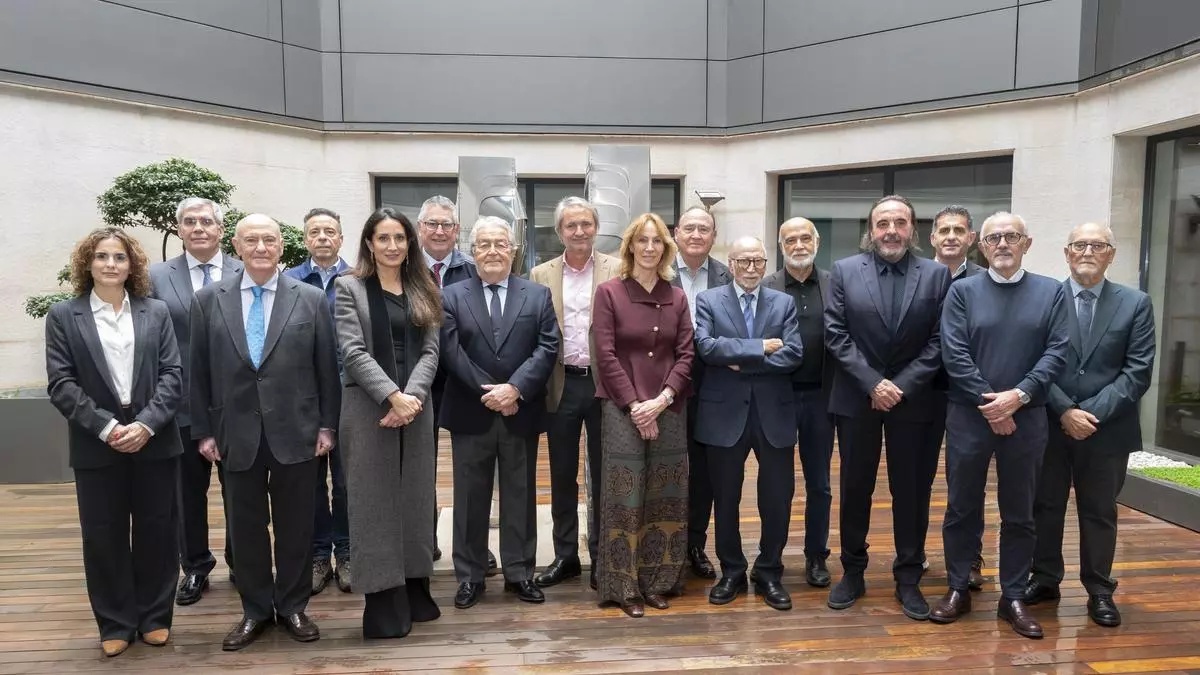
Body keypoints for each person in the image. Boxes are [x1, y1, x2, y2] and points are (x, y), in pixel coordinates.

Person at [189, 214, 341, 650]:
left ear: (281, 246)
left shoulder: (310, 298)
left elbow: (326, 368)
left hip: (297, 430)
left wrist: (327, 425)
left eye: (268, 240)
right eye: (251, 240)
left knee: (297, 526)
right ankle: (255, 610)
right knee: (245, 527)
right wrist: (204, 431)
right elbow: (197, 371)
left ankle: (293, 606)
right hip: (234, 432)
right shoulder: (208, 300)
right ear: (236, 247)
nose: (260, 247)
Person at [46, 228, 184, 657]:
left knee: (158, 530)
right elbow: (62, 383)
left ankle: (155, 617)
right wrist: (107, 428)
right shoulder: (63, 315)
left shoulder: (156, 311)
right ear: (87, 264)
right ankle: (116, 623)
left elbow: (173, 375)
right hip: (97, 441)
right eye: (102, 256)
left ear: (132, 265)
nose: (110, 264)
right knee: (103, 534)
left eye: (119, 257)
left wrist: (145, 425)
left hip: (154, 438)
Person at [931, 212, 1069, 639]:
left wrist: (1018, 397)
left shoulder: (1052, 292)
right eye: (994, 238)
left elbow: (1057, 352)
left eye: (1011, 236)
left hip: (1027, 418)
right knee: (961, 507)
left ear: (1027, 243)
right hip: (969, 417)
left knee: (1020, 511)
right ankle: (958, 587)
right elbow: (954, 353)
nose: (1003, 244)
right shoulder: (962, 292)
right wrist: (992, 404)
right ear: (982, 246)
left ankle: (1013, 596)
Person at [823, 195, 951, 621]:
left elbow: (941, 340)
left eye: (899, 222)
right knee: (854, 488)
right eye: (883, 223)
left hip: (914, 400)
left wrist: (901, 385)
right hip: (857, 396)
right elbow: (836, 333)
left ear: (912, 229)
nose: (891, 231)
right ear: (871, 229)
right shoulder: (844, 271)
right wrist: (873, 383)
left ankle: (908, 577)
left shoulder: (936, 275)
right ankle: (852, 571)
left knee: (911, 491)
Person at [1025, 222, 1156, 628]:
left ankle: (1099, 589)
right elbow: (1032, 360)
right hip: (1049, 424)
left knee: (1099, 511)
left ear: (1111, 254)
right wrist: (1065, 410)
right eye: (1079, 245)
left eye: (1097, 245)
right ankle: (1045, 578)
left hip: (1107, 430)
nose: (1087, 252)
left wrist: (1089, 414)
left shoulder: (1136, 303)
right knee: (1044, 506)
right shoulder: (1044, 298)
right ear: (1066, 252)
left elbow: (1137, 371)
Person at [334, 208, 443, 638]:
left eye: (400, 237)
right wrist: (392, 396)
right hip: (369, 408)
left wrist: (411, 398)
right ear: (369, 243)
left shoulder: (424, 286)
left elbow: (432, 350)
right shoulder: (349, 287)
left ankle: (415, 590)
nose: (393, 246)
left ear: (410, 243)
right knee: (373, 502)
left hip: (416, 407)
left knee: (415, 498)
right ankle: (383, 603)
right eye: (383, 238)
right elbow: (352, 351)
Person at [439, 216, 559, 610]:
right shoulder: (451, 296)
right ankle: (470, 576)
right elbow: (450, 351)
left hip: (519, 411)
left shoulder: (537, 295)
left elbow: (547, 347)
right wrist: (490, 393)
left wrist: (515, 389)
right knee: (469, 499)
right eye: (484, 244)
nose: (492, 251)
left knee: (520, 495)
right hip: (470, 411)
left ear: (513, 250)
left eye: (500, 244)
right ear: (473, 252)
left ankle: (519, 572)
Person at [593, 213, 695, 618]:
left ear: (666, 249)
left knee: (665, 496)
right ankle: (623, 586)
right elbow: (605, 355)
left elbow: (686, 354)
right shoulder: (610, 292)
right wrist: (636, 405)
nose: (650, 248)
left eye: (657, 241)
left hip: (669, 408)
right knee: (626, 495)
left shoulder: (678, 297)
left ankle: (658, 581)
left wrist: (663, 399)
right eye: (643, 240)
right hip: (623, 408)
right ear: (631, 246)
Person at [695, 236, 803, 610]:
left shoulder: (783, 303)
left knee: (777, 498)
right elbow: (707, 348)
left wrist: (738, 358)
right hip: (723, 414)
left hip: (774, 413)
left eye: (758, 260)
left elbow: (794, 354)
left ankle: (769, 570)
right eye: (744, 261)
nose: (752, 268)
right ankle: (732, 571)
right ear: (731, 264)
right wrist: (761, 347)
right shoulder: (708, 300)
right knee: (725, 498)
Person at [149, 197, 241, 607]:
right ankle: (196, 567)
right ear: (179, 230)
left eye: (206, 221)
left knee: (240, 491)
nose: (199, 228)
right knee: (187, 493)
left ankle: (242, 561)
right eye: (190, 222)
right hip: (181, 403)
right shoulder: (155, 277)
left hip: (238, 404)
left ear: (221, 230)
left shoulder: (246, 269)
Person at [530, 197, 620, 591]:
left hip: (604, 386)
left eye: (586, 224)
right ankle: (565, 555)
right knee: (562, 475)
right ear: (559, 231)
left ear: (595, 228)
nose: (579, 231)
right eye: (571, 225)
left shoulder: (618, 268)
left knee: (604, 474)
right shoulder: (540, 274)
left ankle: (601, 557)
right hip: (560, 385)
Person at [417, 195, 494, 569]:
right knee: (421, 467)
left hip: (466, 381)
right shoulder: (405, 268)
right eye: (432, 223)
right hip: (418, 384)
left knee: (472, 472)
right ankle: (424, 542)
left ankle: (476, 546)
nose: (439, 231)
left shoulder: (474, 268)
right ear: (420, 228)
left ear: (457, 230)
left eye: (446, 224)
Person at [762, 217, 835, 588]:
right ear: (781, 246)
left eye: (805, 238)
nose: (799, 245)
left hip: (822, 397)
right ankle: (771, 556)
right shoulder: (765, 287)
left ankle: (816, 555)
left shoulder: (835, 284)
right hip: (778, 396)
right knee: (779, 483)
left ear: (817, 242)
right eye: (790, 240)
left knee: (819, 483)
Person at [283, 207, 353, 595]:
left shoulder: (359, 278)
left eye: (330, 231)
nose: (322, 237)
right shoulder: (288, 281)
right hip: (303, 398)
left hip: (351, 396)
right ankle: (318, 555)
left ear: (341, 238)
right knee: (309, 483)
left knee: (346, 482)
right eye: (315, 232)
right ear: (305, 239)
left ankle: (347, 552)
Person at [928, 205, 988, 590]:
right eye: (945, 230)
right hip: (923, 394)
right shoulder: (917, 276)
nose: (951, 236)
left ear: (971, 238)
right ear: (932, 237)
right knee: (915, 480)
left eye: (959, 230)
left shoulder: (986, 280)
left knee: (967, 483)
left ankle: (969, 558)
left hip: (970, 397)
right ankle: (912, 552)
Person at [670, 205, 730, 580]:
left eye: (703, 229)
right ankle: (663, 544)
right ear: (676, 233)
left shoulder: (726, 275)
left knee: (704, 470)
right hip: (663, 385)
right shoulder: (658, 270)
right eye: (689, 228)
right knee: (666, 467)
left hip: (712, 385)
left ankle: (694, 543)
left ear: (713, 236)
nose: (696, 235)